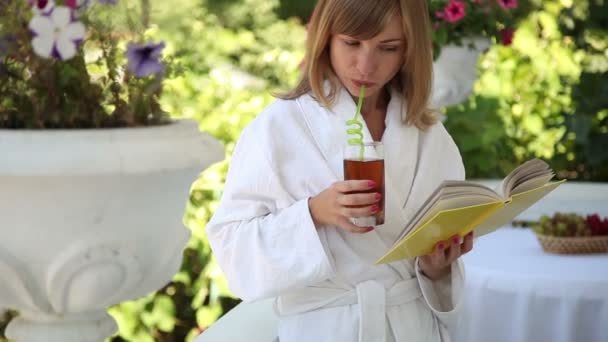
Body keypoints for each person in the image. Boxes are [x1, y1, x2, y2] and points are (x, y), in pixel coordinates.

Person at [206, 0, 474, 341]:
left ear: (409, 51)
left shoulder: (427, 133)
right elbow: (232, 245)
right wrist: (314, 212)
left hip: (412, 326)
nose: (366, 65)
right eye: (351, 43)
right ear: (325, 39)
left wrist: (437, 268)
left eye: (388, 48)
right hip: (325, 328)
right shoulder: (279, 126)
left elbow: (432, 248)